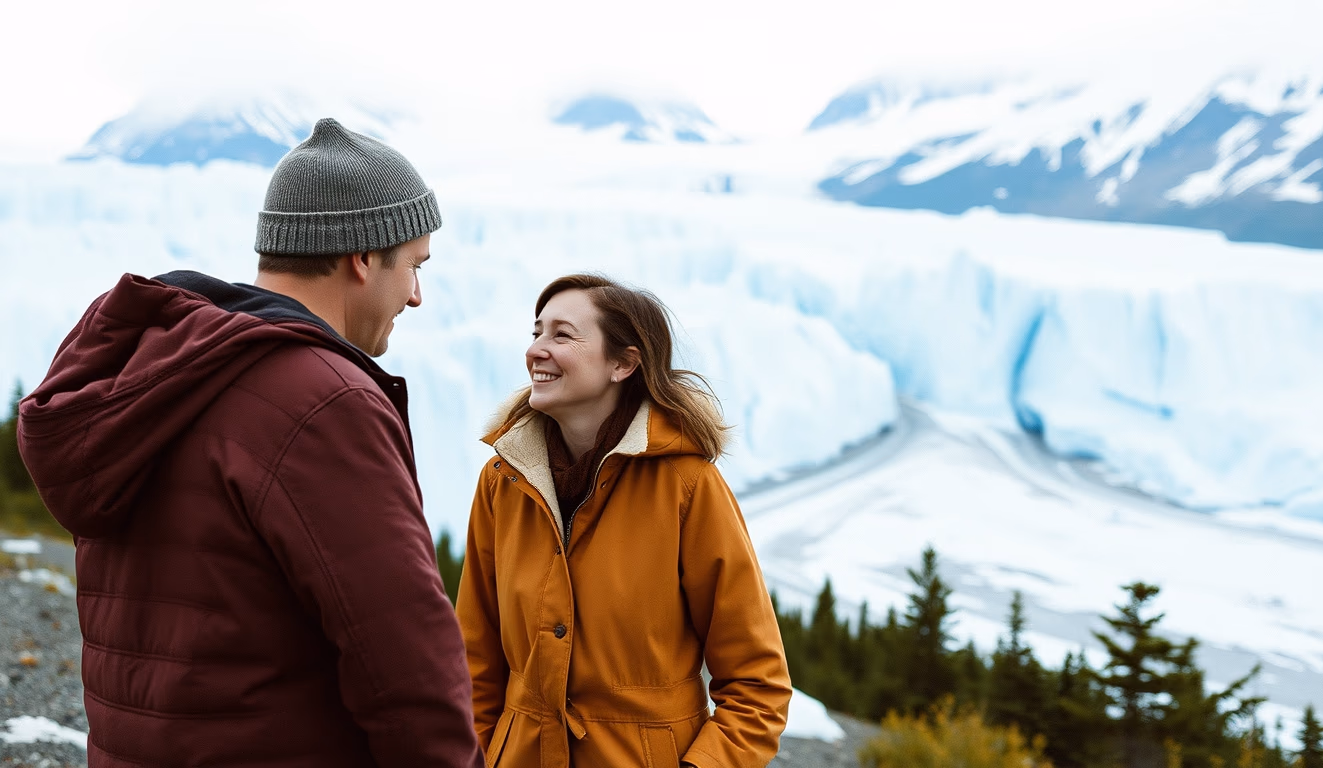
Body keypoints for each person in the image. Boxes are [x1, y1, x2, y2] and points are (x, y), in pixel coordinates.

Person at [17, 119, 484, 768]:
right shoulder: (322, 400)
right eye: (412, 265)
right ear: (364, 257)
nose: (416, 295)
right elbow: (407, 667)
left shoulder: (159, 374)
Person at [456, 274, 792, 768]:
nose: (536, 351)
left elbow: (758, 686)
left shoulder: (686, 485)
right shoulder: (502, 481)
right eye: (536, 333)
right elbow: (474, 665)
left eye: (561, 334)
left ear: (623, 363)